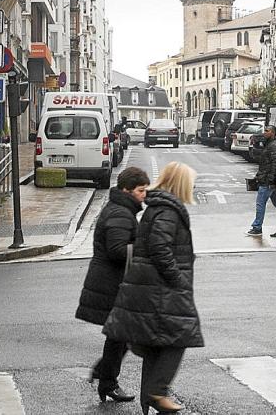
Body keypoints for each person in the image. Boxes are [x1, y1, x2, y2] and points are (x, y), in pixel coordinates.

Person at [103, 162, 203, 415]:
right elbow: (159, 247)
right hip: (161, 288)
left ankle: (150, 399)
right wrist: (177, 277)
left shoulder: (159, 207)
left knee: (156, 345)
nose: (193, 186)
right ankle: (157, 392)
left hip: (150, 286)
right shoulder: (168, 211)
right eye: (190, 182)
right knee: (178, 338)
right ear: (181, 183)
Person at [75, 167, 150, 404]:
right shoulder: (120, 213)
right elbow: (117, 250)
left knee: (121, 335)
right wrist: (145, 249)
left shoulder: (121, 209)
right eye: (140, 190)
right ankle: (106, 379)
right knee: (123, 335)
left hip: (113, 283)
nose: (144, 195)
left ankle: (104, 376)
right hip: (112, 285)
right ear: (127, 190)